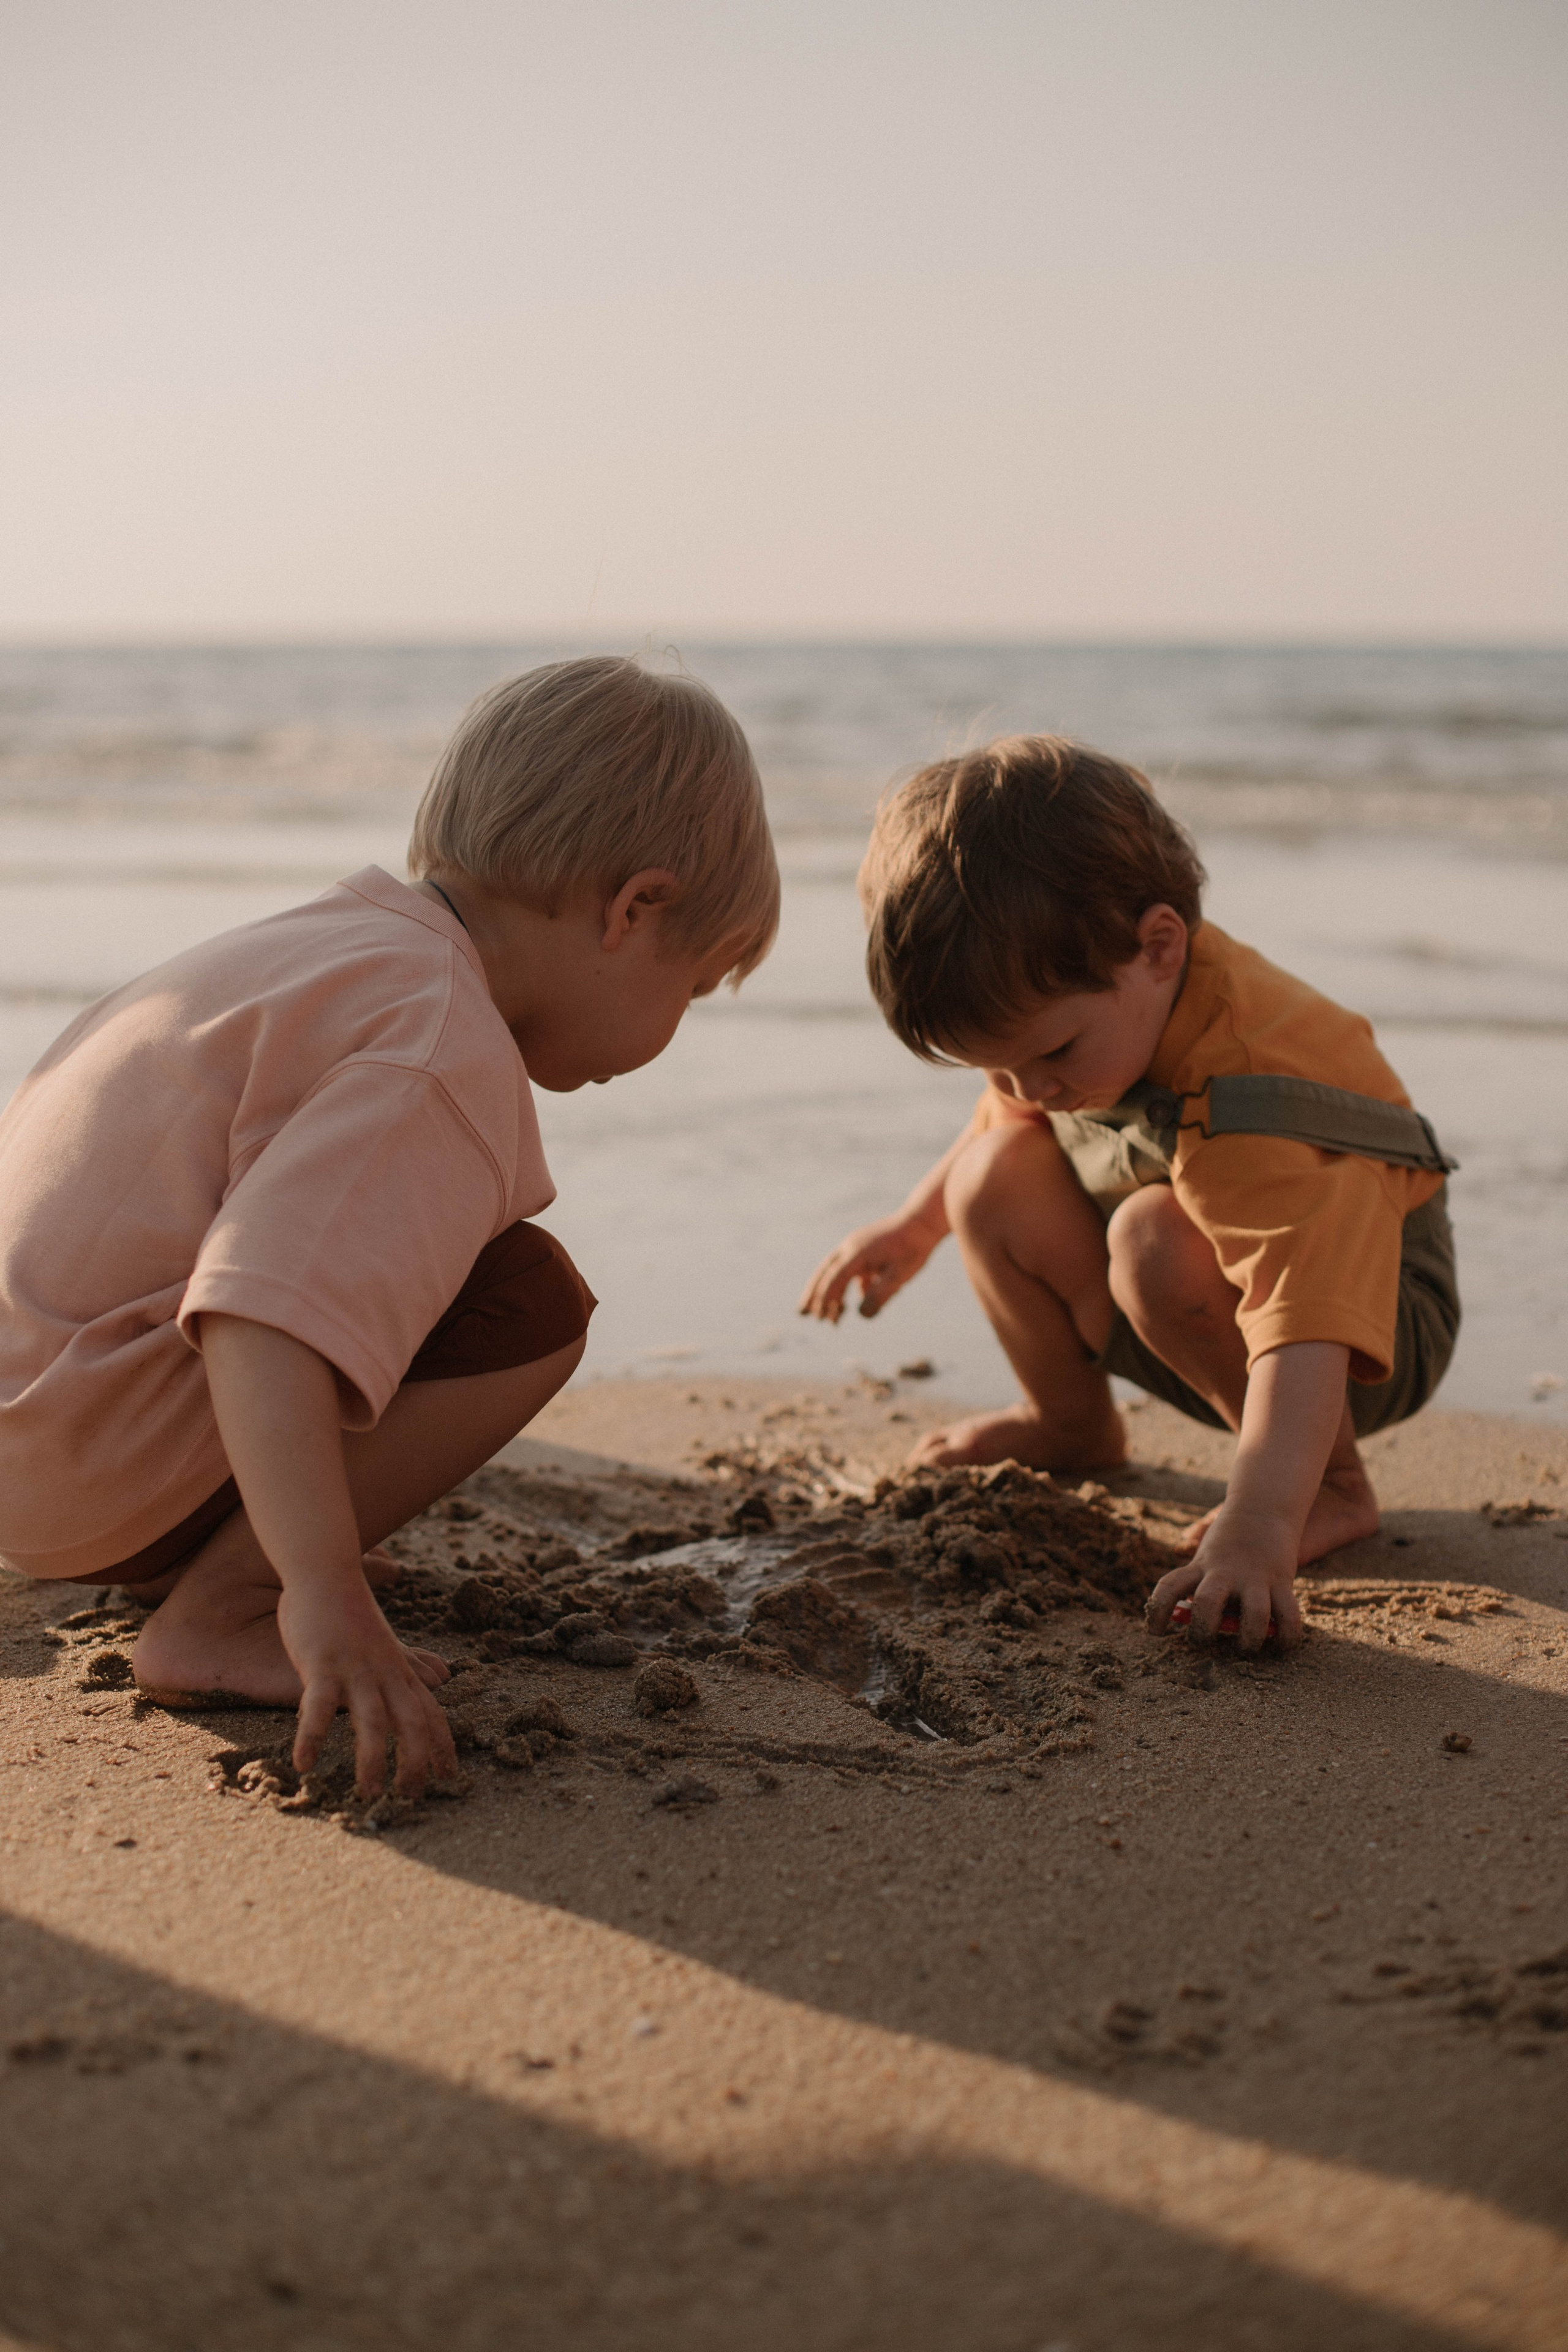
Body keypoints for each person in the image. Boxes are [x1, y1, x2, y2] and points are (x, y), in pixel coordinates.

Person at [0, 656, 778, 1793]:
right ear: (635, 910)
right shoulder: (440, 1042)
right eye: (694, 987)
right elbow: (256, 1308)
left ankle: (230, 1550)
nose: (679, 1023)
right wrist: (322, 1587)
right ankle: (229, 1605)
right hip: (89, 1467)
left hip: (37, 1423)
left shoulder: (317, 944)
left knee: (405, 1253)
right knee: (525, 1298)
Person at [799, 736, 1458, 1653]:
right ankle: (1072, 1424)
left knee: (1153, 1242)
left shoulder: (1245, 1085)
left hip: (1365, 1324)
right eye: (998, 1065)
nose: (1028, 1088)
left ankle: (1333, 1486)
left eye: (1052, 1053)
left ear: (1159, 947)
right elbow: (1013, 1107)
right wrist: (915, 1227)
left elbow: (1303, 1313)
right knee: (991, 1176)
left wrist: (1260, 1524)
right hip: (1221, 1267)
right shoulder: (1088, 1020)